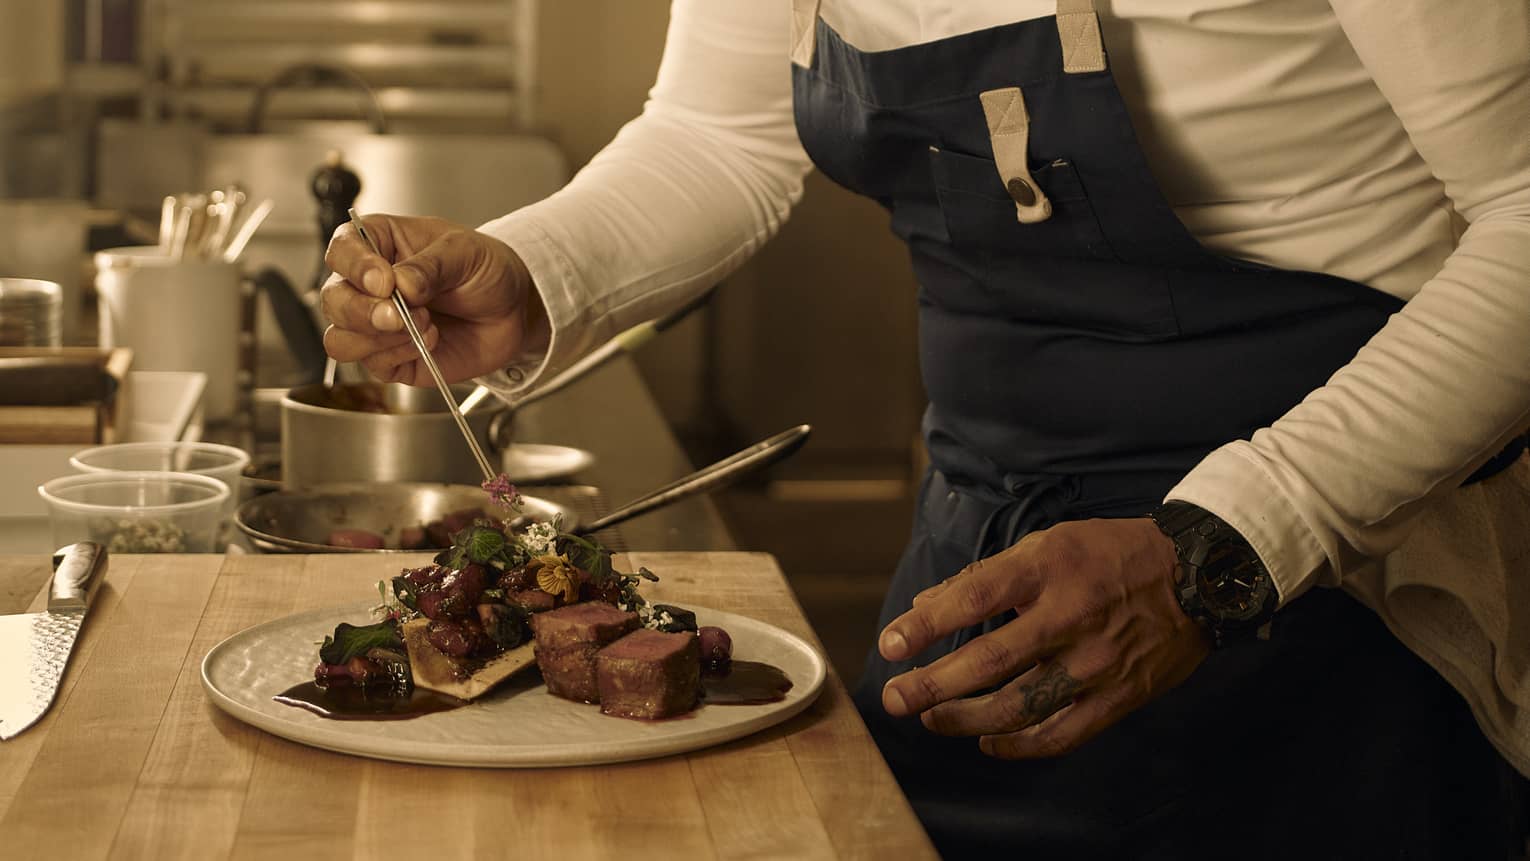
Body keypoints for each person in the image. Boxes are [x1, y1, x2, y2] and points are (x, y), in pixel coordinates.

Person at [321, 1, 1530, 857]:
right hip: (985, 534)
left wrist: (1224, 551)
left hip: (1356, 566)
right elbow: (721, 132)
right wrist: (536, 271)